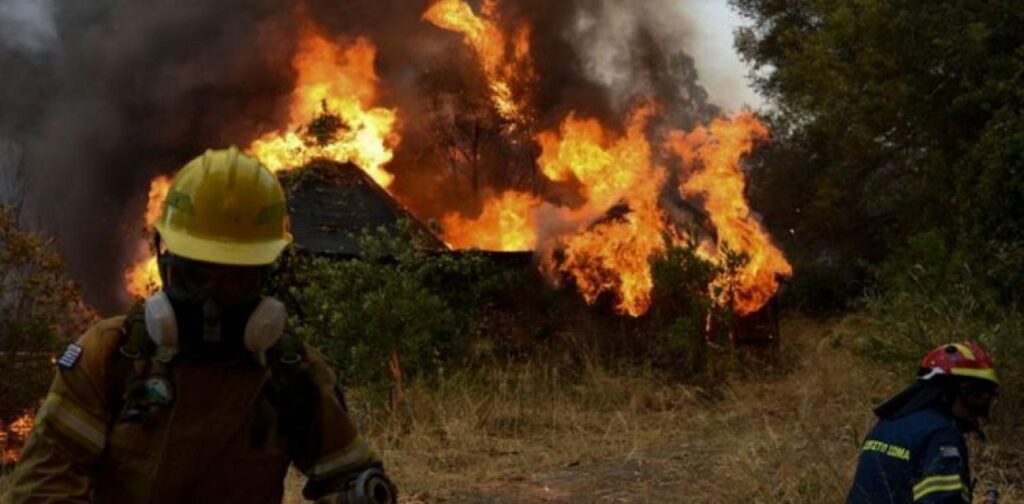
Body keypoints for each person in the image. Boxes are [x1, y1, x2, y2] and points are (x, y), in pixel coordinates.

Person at [9, 147, 396, 503]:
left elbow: (350, 475)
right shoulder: (110, 357)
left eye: (236, 279)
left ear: (266, 275)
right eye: (198, 275)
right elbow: (42, 489)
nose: (212, 301)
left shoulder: (291, 372)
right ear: (167, 263)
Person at [847, 342, 999, 503]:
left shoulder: (887, 423)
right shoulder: (943, 434)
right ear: (948, 392)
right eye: (976, 397)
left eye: (987, 399)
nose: (981, 411)